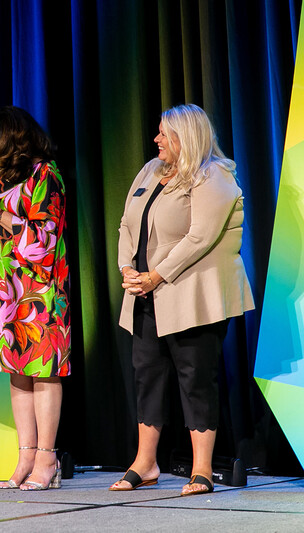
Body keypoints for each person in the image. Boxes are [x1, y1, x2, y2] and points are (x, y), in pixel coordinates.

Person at [110, 104, 254, 496]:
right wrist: (127, 267)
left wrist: (156, 275)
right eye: (157, 132)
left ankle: (202, 468)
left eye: (164, 133)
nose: (156, 139)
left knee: (195, 378)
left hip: (192, 297)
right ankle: (146, 463)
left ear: (185, 137)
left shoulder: (214, 176)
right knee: (147, 376)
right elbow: (126, 223)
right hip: (144, 294)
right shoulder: (150, 171)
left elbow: (200, 236)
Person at [0, 106, 71, 491]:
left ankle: (47, 458)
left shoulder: (46, 175)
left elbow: (44, 240)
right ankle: (25, 453)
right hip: (2, 291)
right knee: (17, 370)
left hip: (39, 290)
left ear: (9, 137)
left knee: (43, 371)